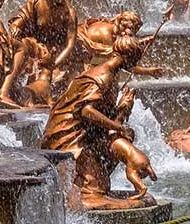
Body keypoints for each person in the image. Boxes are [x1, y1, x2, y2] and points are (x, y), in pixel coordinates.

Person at [41, 36, 158, 210]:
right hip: (68, 135)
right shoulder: (103, 76)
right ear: (127, 58)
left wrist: (123, 109)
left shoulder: (112, 74)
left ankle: (92, 183)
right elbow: (86, 111)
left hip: (88, 133)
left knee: (123, 141)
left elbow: (103, 115)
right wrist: (118, 126)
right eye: (135, 60)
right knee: (94, 190)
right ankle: (89, 193)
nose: (135, 66)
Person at [0, 0, 79, 108]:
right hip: (36, 44)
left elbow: (70, 45)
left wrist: (53, 63)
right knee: (21, 45)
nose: (49, 0)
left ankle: (18, 93)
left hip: (56, 50)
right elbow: (20, 18)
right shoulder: (36, 1)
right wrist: (16, 26)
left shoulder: (69, 12)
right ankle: (5, 89)